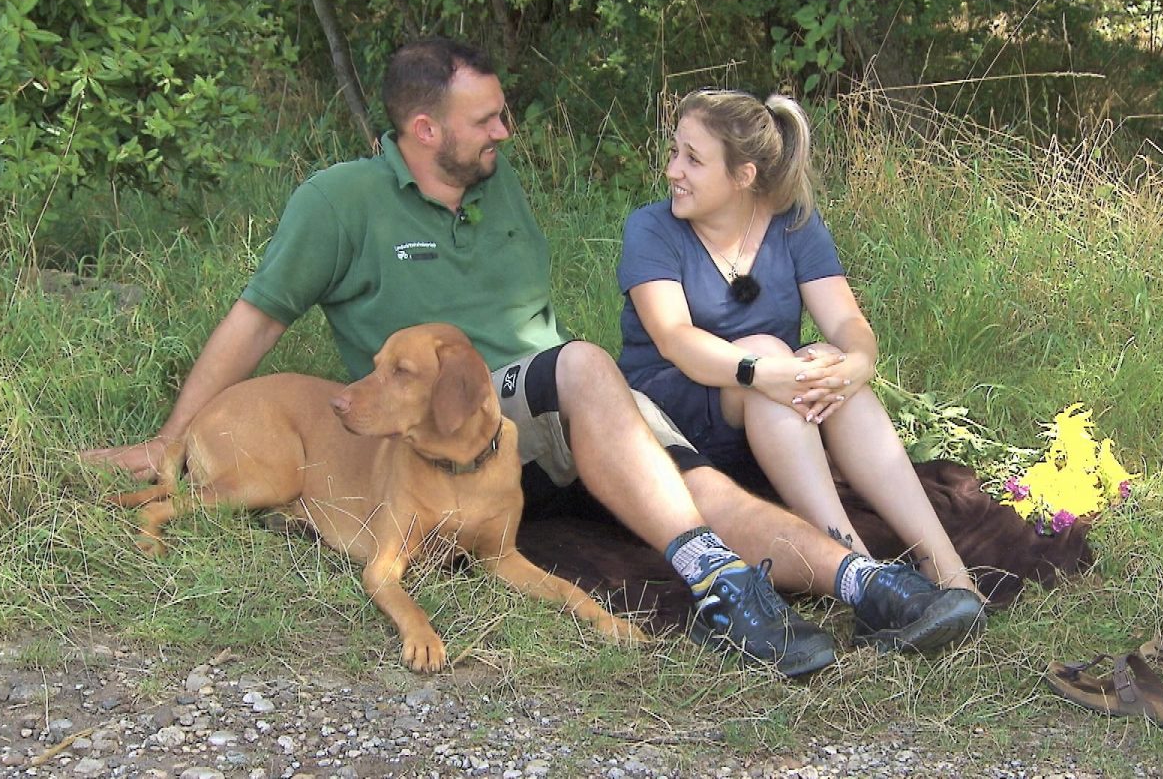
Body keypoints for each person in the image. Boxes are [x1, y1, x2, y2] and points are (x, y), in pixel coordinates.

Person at [83, 40, 982, 678]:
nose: (508, 131)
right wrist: (170, 438)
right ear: (425, 129)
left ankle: (864, 583)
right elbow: (255, 320)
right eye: (488, 118)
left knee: (695, 489)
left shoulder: (495, 183)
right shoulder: (340, 203)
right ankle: (724, 592)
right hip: (463, 418)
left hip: (546, 425)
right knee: (587, 366)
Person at [617, 88, 983, 604]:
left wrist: (853, 363)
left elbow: (848, 322)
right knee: (775, 350)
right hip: (676, 413)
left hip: (776, 414)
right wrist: (763, 370)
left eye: (693, 159)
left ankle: (948, 571)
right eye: (675, 152)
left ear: (743, 176)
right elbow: (676, 340)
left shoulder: (793, 223)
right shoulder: (651, 229)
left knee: (831, 367)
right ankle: (866, 576)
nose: (673, 169)